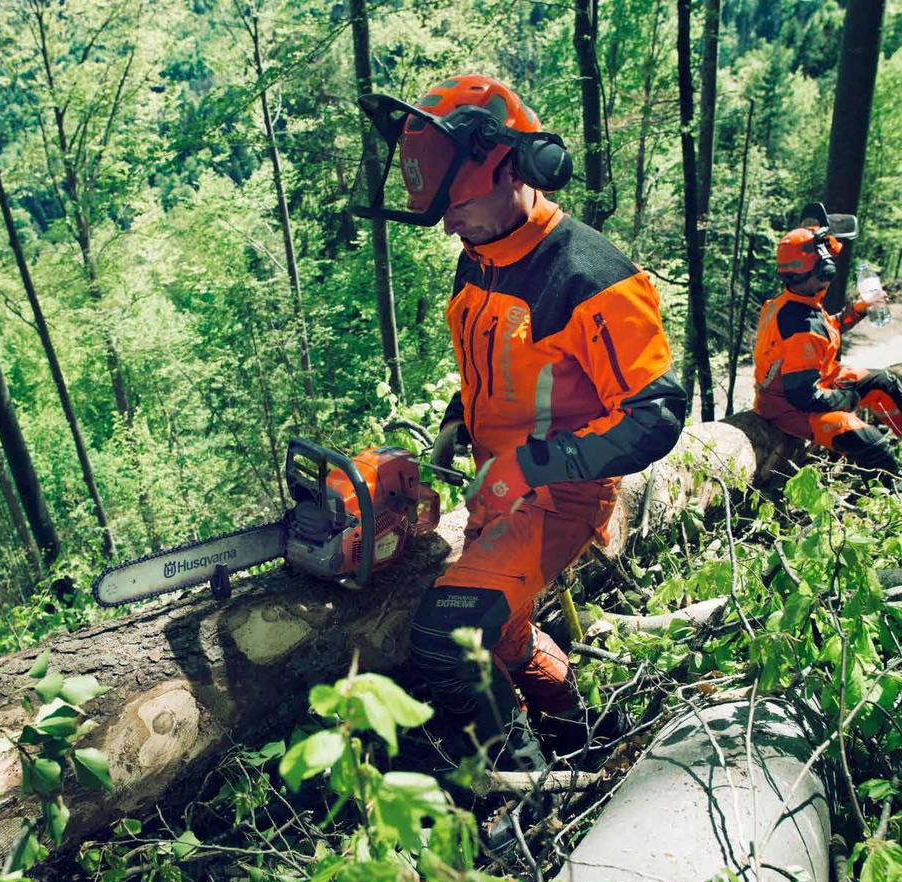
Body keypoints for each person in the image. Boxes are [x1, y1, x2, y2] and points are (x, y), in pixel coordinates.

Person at [353, 75, 686, 762]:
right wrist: (448, 439)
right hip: (499, 485)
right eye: (439, 211)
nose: (449, 224)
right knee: (502, 634)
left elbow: (657, 415)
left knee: (447, 637)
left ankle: (523, 784)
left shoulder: (591, 276)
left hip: (563, 494)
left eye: (460, 204)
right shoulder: (479, 260)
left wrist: (533, 465)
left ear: (519, 168)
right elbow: (490, 376)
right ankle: (582, 735)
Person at [754, 211, 901, 478]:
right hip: (790, 408)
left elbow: (825, 329)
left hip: (816, 384)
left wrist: (858, 309)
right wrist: (849, 397)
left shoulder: (796, 303)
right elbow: (804, 397)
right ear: (822, 269)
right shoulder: (802, 326)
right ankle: (887, 491)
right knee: (874, 448)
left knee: (886, 383)